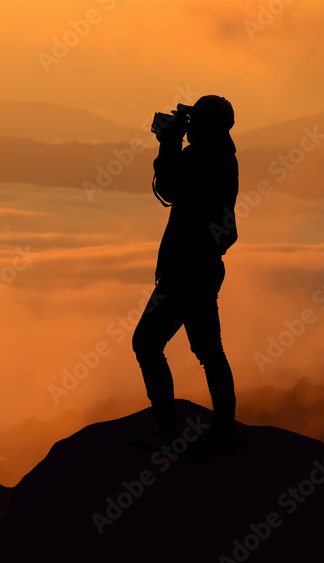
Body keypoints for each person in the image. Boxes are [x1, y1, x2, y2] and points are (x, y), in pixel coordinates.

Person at [132, 94, 238, 447]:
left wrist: (168, 143)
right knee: (209, 351)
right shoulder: (224, 156)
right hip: (203, 267)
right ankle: (224, 428)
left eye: (195, 121)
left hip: (186, 269)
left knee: (147, 342)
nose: (189, 125)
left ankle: (166, 430)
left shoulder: (202, 157)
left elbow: (168, 188)